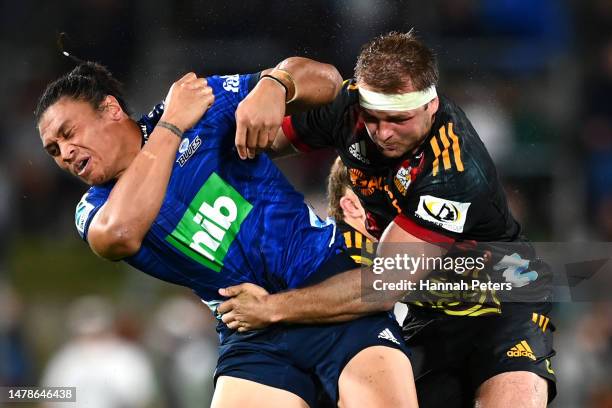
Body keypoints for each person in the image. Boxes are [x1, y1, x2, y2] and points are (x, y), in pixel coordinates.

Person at [35, 57, 418, 408]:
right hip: (251, 332)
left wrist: (276, 84)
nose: (65, 152)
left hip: (326, 284)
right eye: (53, 149)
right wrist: (172, 125)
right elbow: (119, 234)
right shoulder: (95, 209)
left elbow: (327, 82)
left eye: (69, 133)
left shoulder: (204, 109)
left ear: (111, 109)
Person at [219, 31, 556, 407]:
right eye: (373, 118)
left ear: (430, 105)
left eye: (398, 119)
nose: (382, 133)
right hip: (423, 308)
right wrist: (273, 86)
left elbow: (382, 285)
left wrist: (271, 308)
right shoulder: (348, 110)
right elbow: (259, 139)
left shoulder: (455, 169)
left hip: (501, 302)